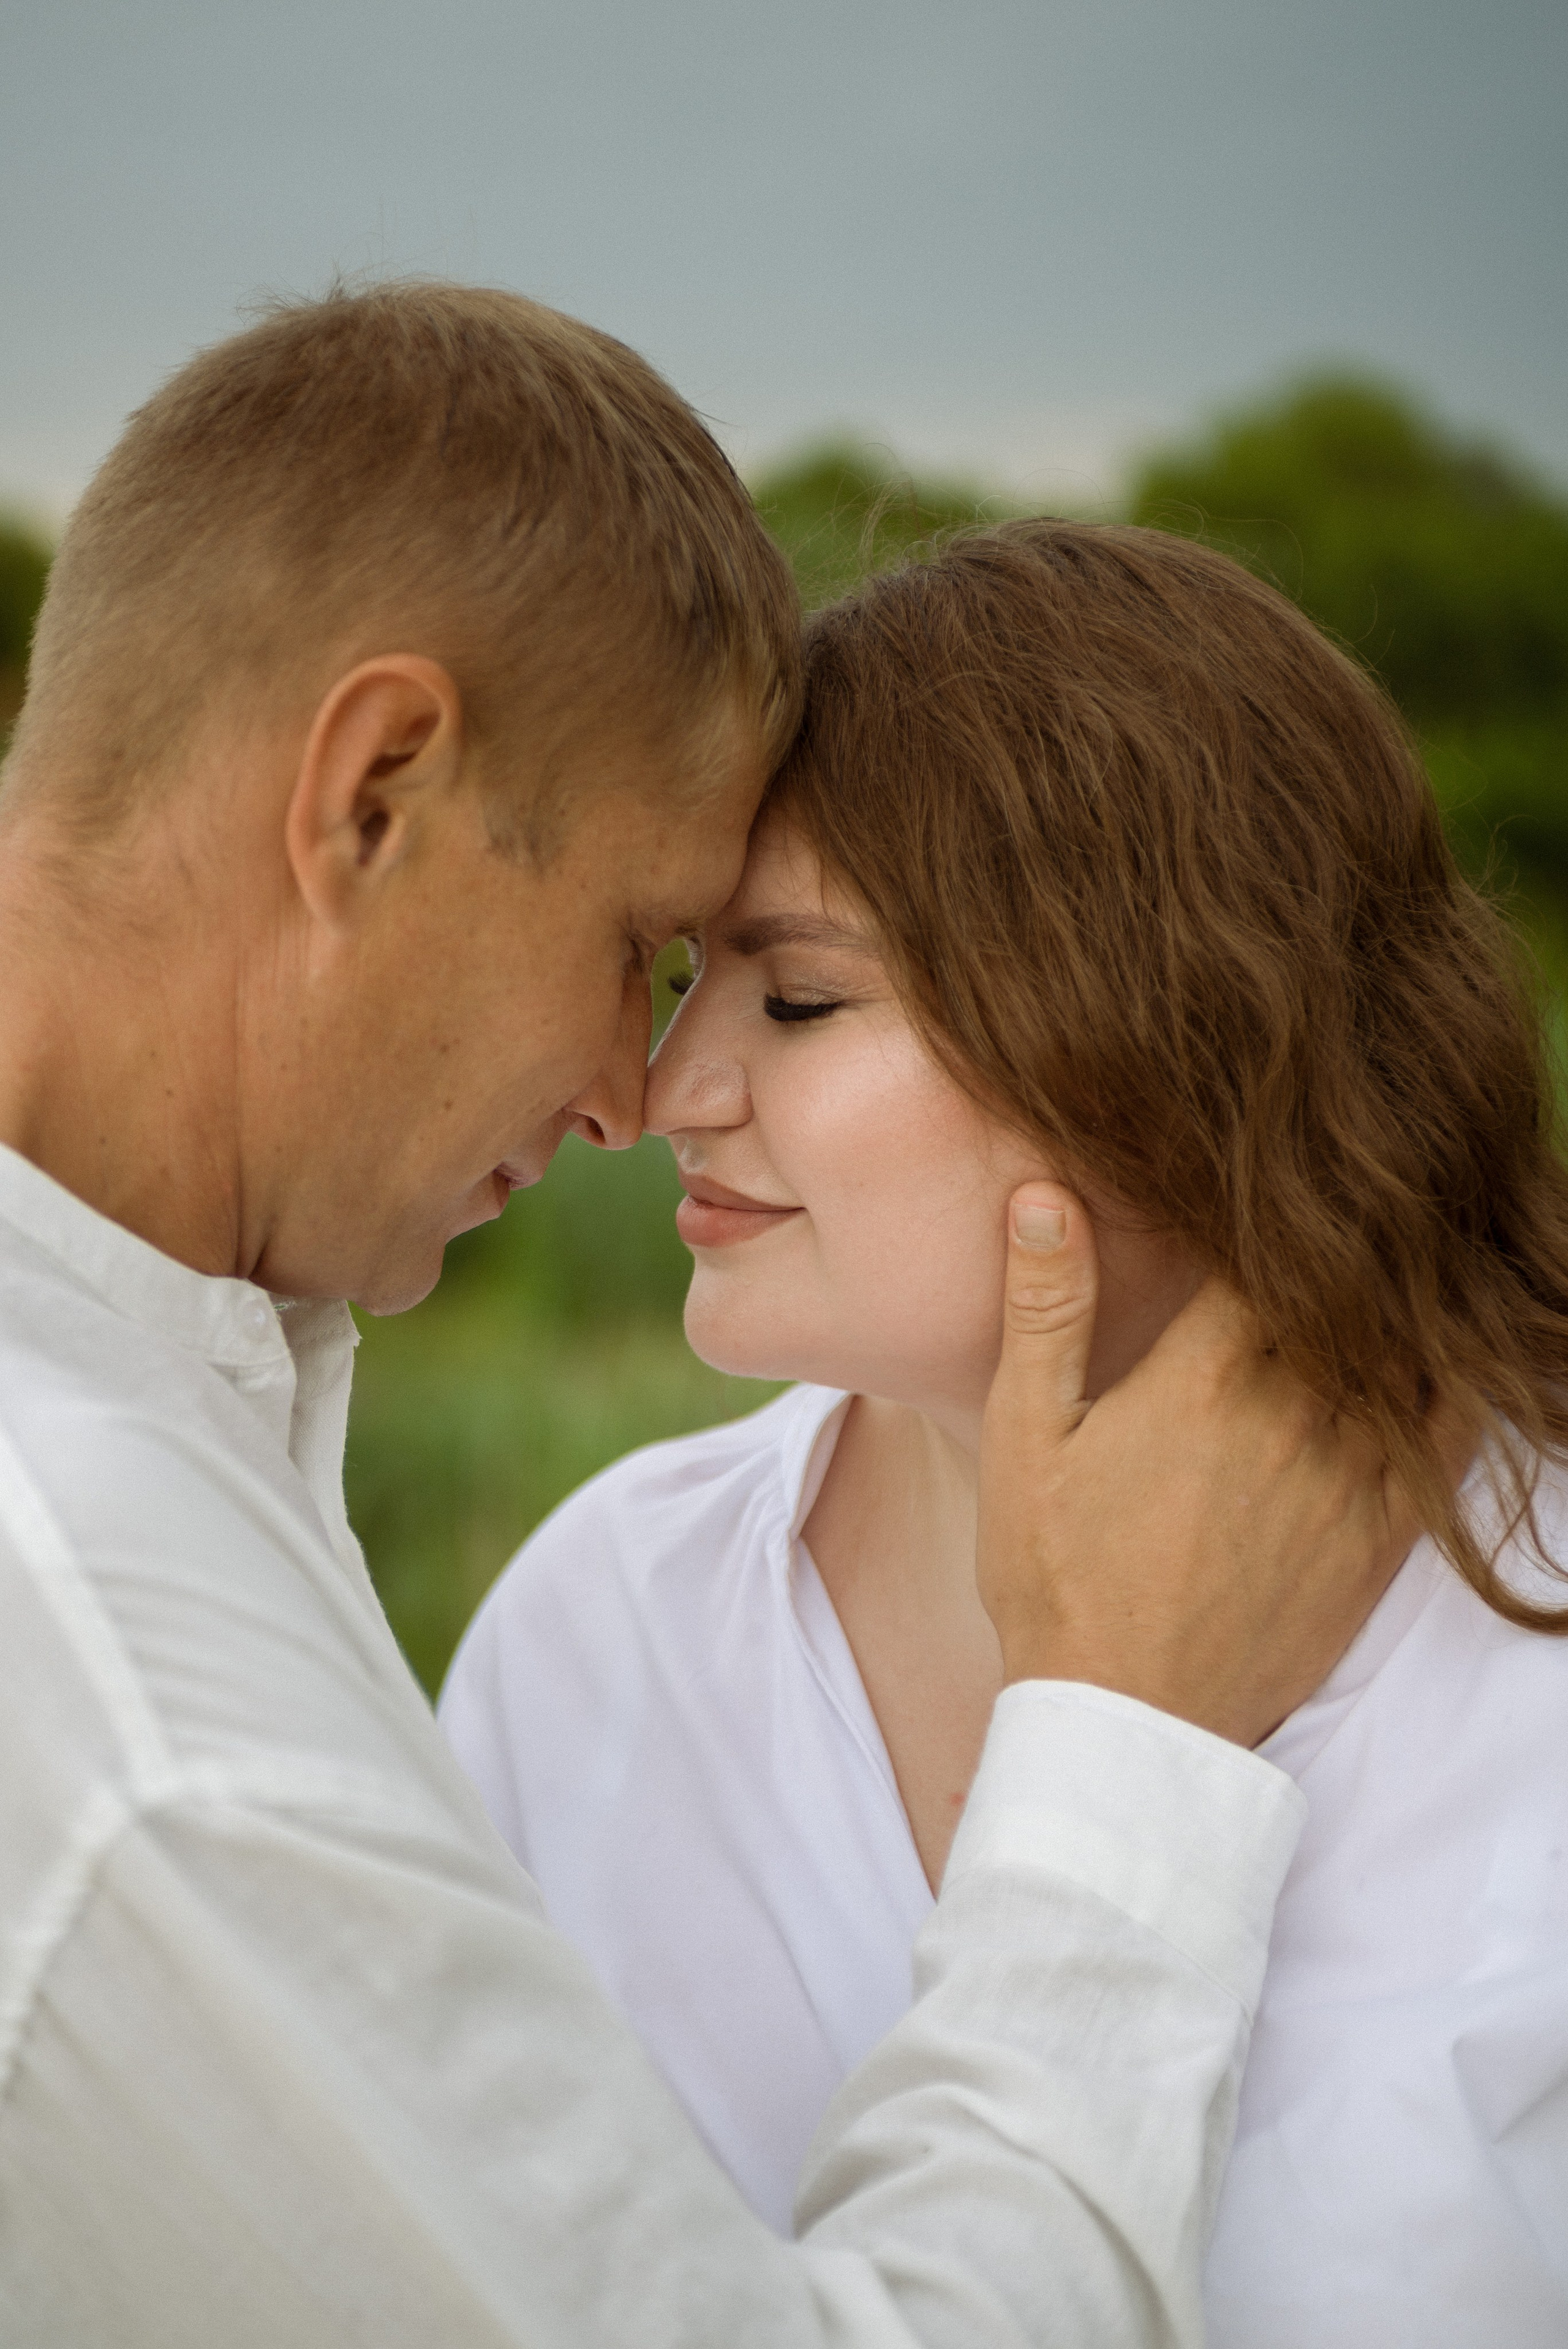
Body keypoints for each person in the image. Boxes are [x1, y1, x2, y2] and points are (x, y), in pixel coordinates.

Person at [0, 284, 1411, 2348]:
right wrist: (1126, 1761)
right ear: (372, 790)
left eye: (775, 983)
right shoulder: (129, 1694)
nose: (627, 1090)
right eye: (644, 945)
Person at [441, 520, 1568, 2347]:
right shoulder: (606, 1624)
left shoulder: (1530, 1654)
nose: (666, 1092)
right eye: (684, 977)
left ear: (1154, 1030)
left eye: (798, 995)